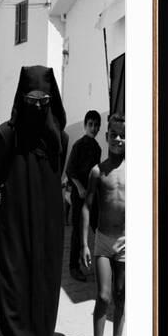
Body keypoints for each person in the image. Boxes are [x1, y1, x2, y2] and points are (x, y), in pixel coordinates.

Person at [0, 65, 68, 336]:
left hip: (48, 230)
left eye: (42, 101)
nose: (36, 106)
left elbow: (55, 179)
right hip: (15, 229)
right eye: (31, 100)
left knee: (43, 287)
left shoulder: (59, 140)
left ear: (51, 101)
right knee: (13, 286)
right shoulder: (6, 135)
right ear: (21, 98)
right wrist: (5, 221)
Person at [81, 114, 125, 336]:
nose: (118, 139)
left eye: (123, 135)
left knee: (121, 296)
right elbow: (86, 206)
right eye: (114, 134)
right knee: (103, 295)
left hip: (127, 242)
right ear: (107, 137)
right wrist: (83, 244)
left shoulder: (136, 170)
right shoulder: (98, 172)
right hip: (103, 240)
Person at [66, 110, 102, 282]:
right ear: (85, 125)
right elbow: (70, 170)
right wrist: (79, 188)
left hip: (91, 196)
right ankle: (74, 267)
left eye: (96, 125)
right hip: (78, 195)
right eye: (91, 124)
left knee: (97, 227)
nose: (93, 128)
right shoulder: (78, 145)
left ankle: (101, 262)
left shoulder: (97, 148)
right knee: (77, 231)